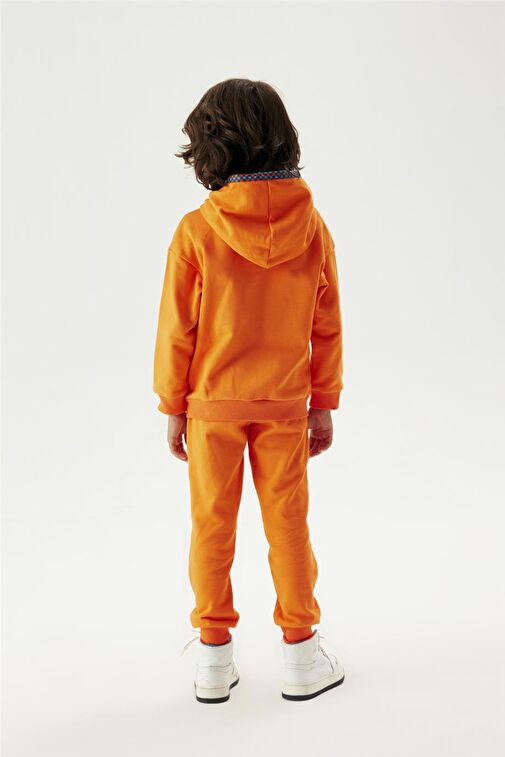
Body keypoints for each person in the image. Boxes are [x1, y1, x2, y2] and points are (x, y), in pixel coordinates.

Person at [153, 78, 345, 703]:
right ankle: (302, 655)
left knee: (211, 526)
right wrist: (324, 402)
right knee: (288, 524)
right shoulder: (313, 227)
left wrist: (173, 405)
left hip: (212, 407)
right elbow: (326, 323)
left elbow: (176, 329)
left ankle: (213, 658)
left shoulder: (196, 230)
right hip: (286, 406)